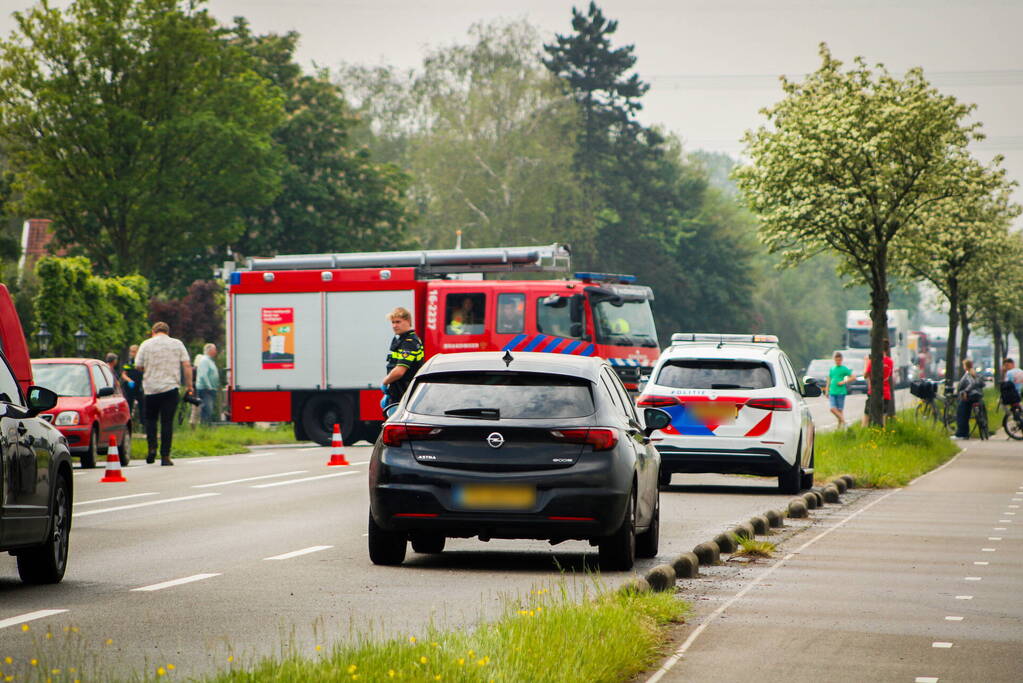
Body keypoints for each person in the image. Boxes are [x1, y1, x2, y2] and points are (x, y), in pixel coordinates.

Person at [134, 322, 192, 465]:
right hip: (170, 388)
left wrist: (149, 370)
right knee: (167, 422)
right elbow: (186, 365)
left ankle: (152, 447)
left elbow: (138, 366)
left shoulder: (145, 344)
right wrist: (189, 386)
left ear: (153, 331)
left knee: (150, 420)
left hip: (150, 389)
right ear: (168, 332)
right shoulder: (177, 344)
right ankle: (165, 456)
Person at [382, 307, 424, 408]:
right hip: (401, 392)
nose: (394, 326)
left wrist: (385, 382)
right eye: (393, 322)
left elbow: (400, 371)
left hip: (404, 393)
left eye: (398, 322)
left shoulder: (409, 342)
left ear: (408, 321)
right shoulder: (402, 339)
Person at [862, 340, 895, 426]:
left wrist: (866, 362)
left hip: (874, 392)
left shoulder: (874, 361)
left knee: (867, 414)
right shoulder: (890, 362)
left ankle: (863, 432)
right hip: (886, 392)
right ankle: (882, 433)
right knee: (883, 416)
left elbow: (865, 375)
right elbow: (890, 375)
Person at [953, 358, 984, 440]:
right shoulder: (975, 373)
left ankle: (961, 433)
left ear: (965, 366)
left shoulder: (968, 374)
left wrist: (966, 391)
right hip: (978, 396)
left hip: (970, 397)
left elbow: (972, 383)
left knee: (961, 413)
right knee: (965, 412)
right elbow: (981, 383)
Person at [826, 351, 854, 427]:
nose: (838, 361)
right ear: (834, 359)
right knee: (832, 409)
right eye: (836, 360)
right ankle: (845, 423)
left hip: (841, 392)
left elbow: (853, 377)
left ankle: (839, 428)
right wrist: (826, 390)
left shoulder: (844, 369)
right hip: (832, 391)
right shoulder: (832, 369)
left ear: (841, 360)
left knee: (840, 410)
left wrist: (844, 381)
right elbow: (829, 379)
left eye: (839, 360)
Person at [194, 343, 219, 425]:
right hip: (206, 389)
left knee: (208, 409)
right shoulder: (205, 360)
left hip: (209, 389)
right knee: (207, 409)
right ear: (209, 350)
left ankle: (206, 427)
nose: (216, 351)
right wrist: (209, 386)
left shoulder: (209, 360)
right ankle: (205, 427)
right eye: (214, 349)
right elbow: (203, 375)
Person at [121, 344, 144, 424]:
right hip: (130, 387)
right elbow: (124, 374)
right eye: (131, 352)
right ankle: (128, 423)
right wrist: (129, 380)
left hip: (139, 386)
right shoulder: (129, 362)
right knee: (129, 405)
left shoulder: (142, 362)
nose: (132, 353)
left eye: (134, 352)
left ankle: (143, 424)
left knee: (142, 405)